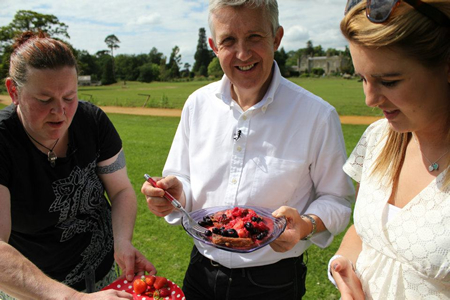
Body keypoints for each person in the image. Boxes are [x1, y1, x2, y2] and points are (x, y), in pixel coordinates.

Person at [141, 0, 355, 299]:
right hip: (201, 271)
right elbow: (181, 179)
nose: (242, 54)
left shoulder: (317, 115)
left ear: (276, 38)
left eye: (255, 37)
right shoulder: (197, 105)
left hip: (273, 281)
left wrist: (305, 225)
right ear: (214, 46)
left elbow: (337, 199)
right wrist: (176, 194)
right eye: (229, 41)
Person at [0, 31, 156, 299]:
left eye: (69, 97)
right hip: (34, 290)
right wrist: (75, 298)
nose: (59, 112)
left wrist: (122, 242)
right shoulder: (3, 141)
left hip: (103, 274)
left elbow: (120, 190)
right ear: (14, 91)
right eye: (45, 100)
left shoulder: (92, 121)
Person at [328, 0, 450, 299]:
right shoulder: (379, 138)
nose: (369, 99)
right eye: (363, 79)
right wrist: (342, 268)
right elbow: (366, 230)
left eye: (389, 81)